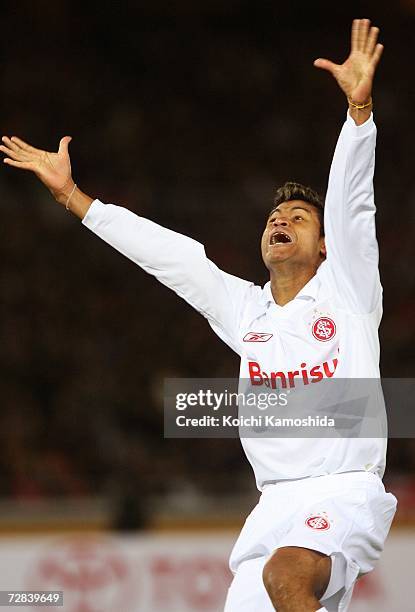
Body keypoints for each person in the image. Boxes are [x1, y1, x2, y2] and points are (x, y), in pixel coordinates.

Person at [1, 18, 397, 612]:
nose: (280, 220)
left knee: (287, 577)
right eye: (274, 216)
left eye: (298, 216)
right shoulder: (247, 312)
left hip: (343, 492)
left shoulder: (350, 291)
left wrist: (357, 115)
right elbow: (174, 259)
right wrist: (78, 201)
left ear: (324, 247)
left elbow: (351, 204)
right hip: (273, 506)